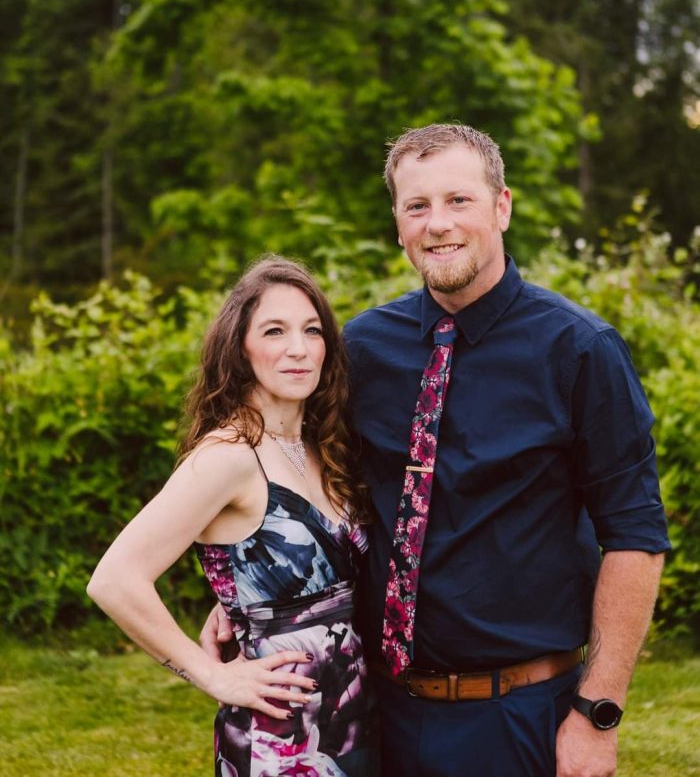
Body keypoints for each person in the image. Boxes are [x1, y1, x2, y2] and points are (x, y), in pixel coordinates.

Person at [202, 124, 670, 777]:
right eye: (417, 206)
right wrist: (243, 592)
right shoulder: (360, 350)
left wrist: (598, 711)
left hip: (519, 715)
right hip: (373, 709)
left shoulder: (580, 351)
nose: (438, 224)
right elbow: (309, 489)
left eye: (459, 201)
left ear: (501, 207)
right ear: (397, 224)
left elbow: (635, 537)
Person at [88, 256, 378, 777]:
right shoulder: (229, 455)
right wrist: (213, 677)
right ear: (239, 349)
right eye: (274, 330)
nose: (298, 348)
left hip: (349, 717)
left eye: (312, 331)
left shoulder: (317, 446)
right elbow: (114, 580)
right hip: (280, 736)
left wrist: (238, 602)